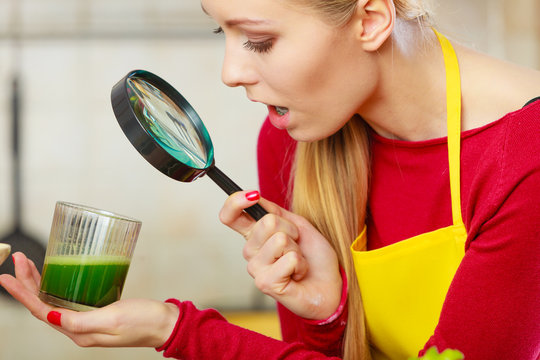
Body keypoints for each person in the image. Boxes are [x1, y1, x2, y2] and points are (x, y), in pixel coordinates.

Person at [1, 0, 539, 359]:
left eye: (258, 41)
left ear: (370, 19)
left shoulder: (527, 158)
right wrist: (328, 314)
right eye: (223, 31)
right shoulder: (293, 137)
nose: (230, 72)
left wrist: (176, 330)